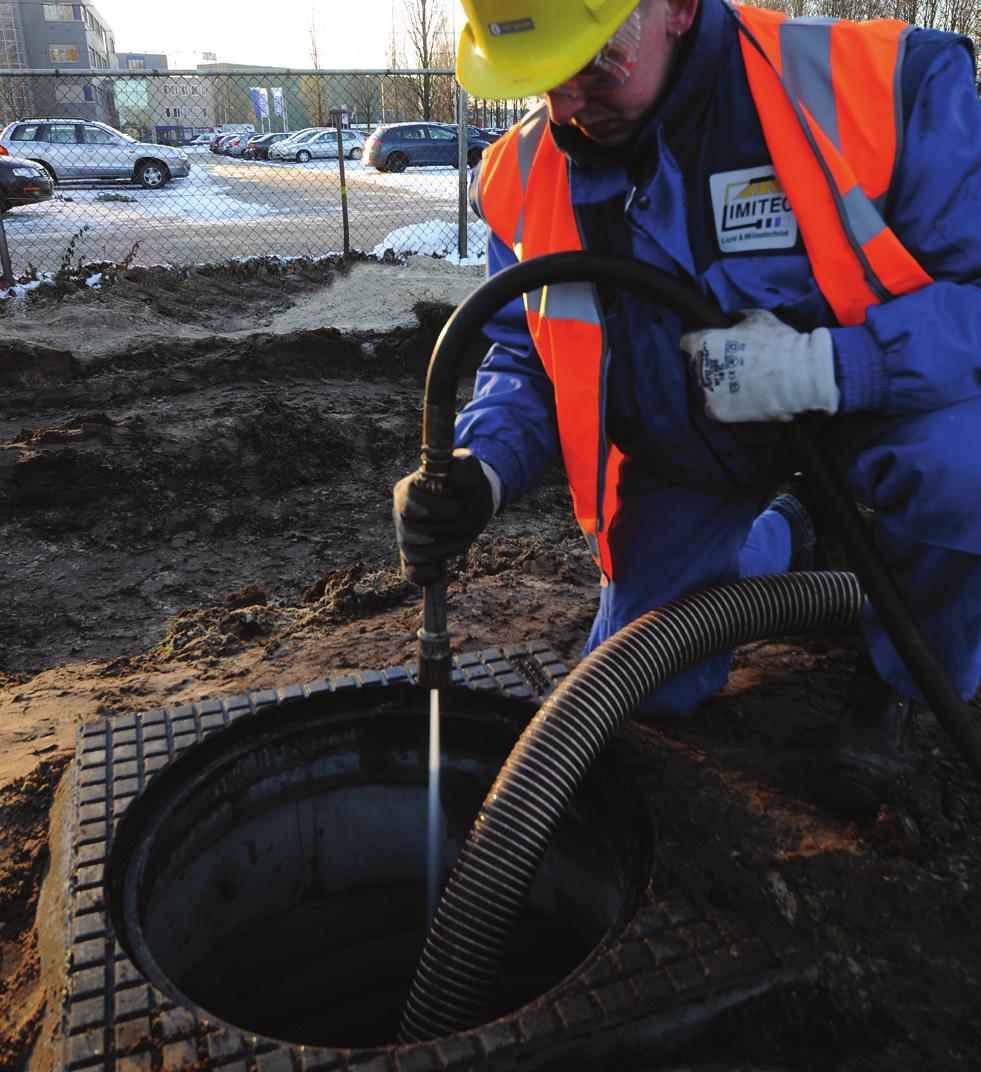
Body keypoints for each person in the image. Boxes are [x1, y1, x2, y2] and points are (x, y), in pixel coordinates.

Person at [394, 0, 981, 814]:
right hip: (687, 443)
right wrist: (482, 467)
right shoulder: (518, 174)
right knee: (647, 686)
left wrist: (832, 366)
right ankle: (790, 530)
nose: (566, 104)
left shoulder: (879, 87)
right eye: (537, 80)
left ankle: (900, 681)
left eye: (595, 63)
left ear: (672, 8)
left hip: (881, 403)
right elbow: (529, 354)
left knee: (966, 473)